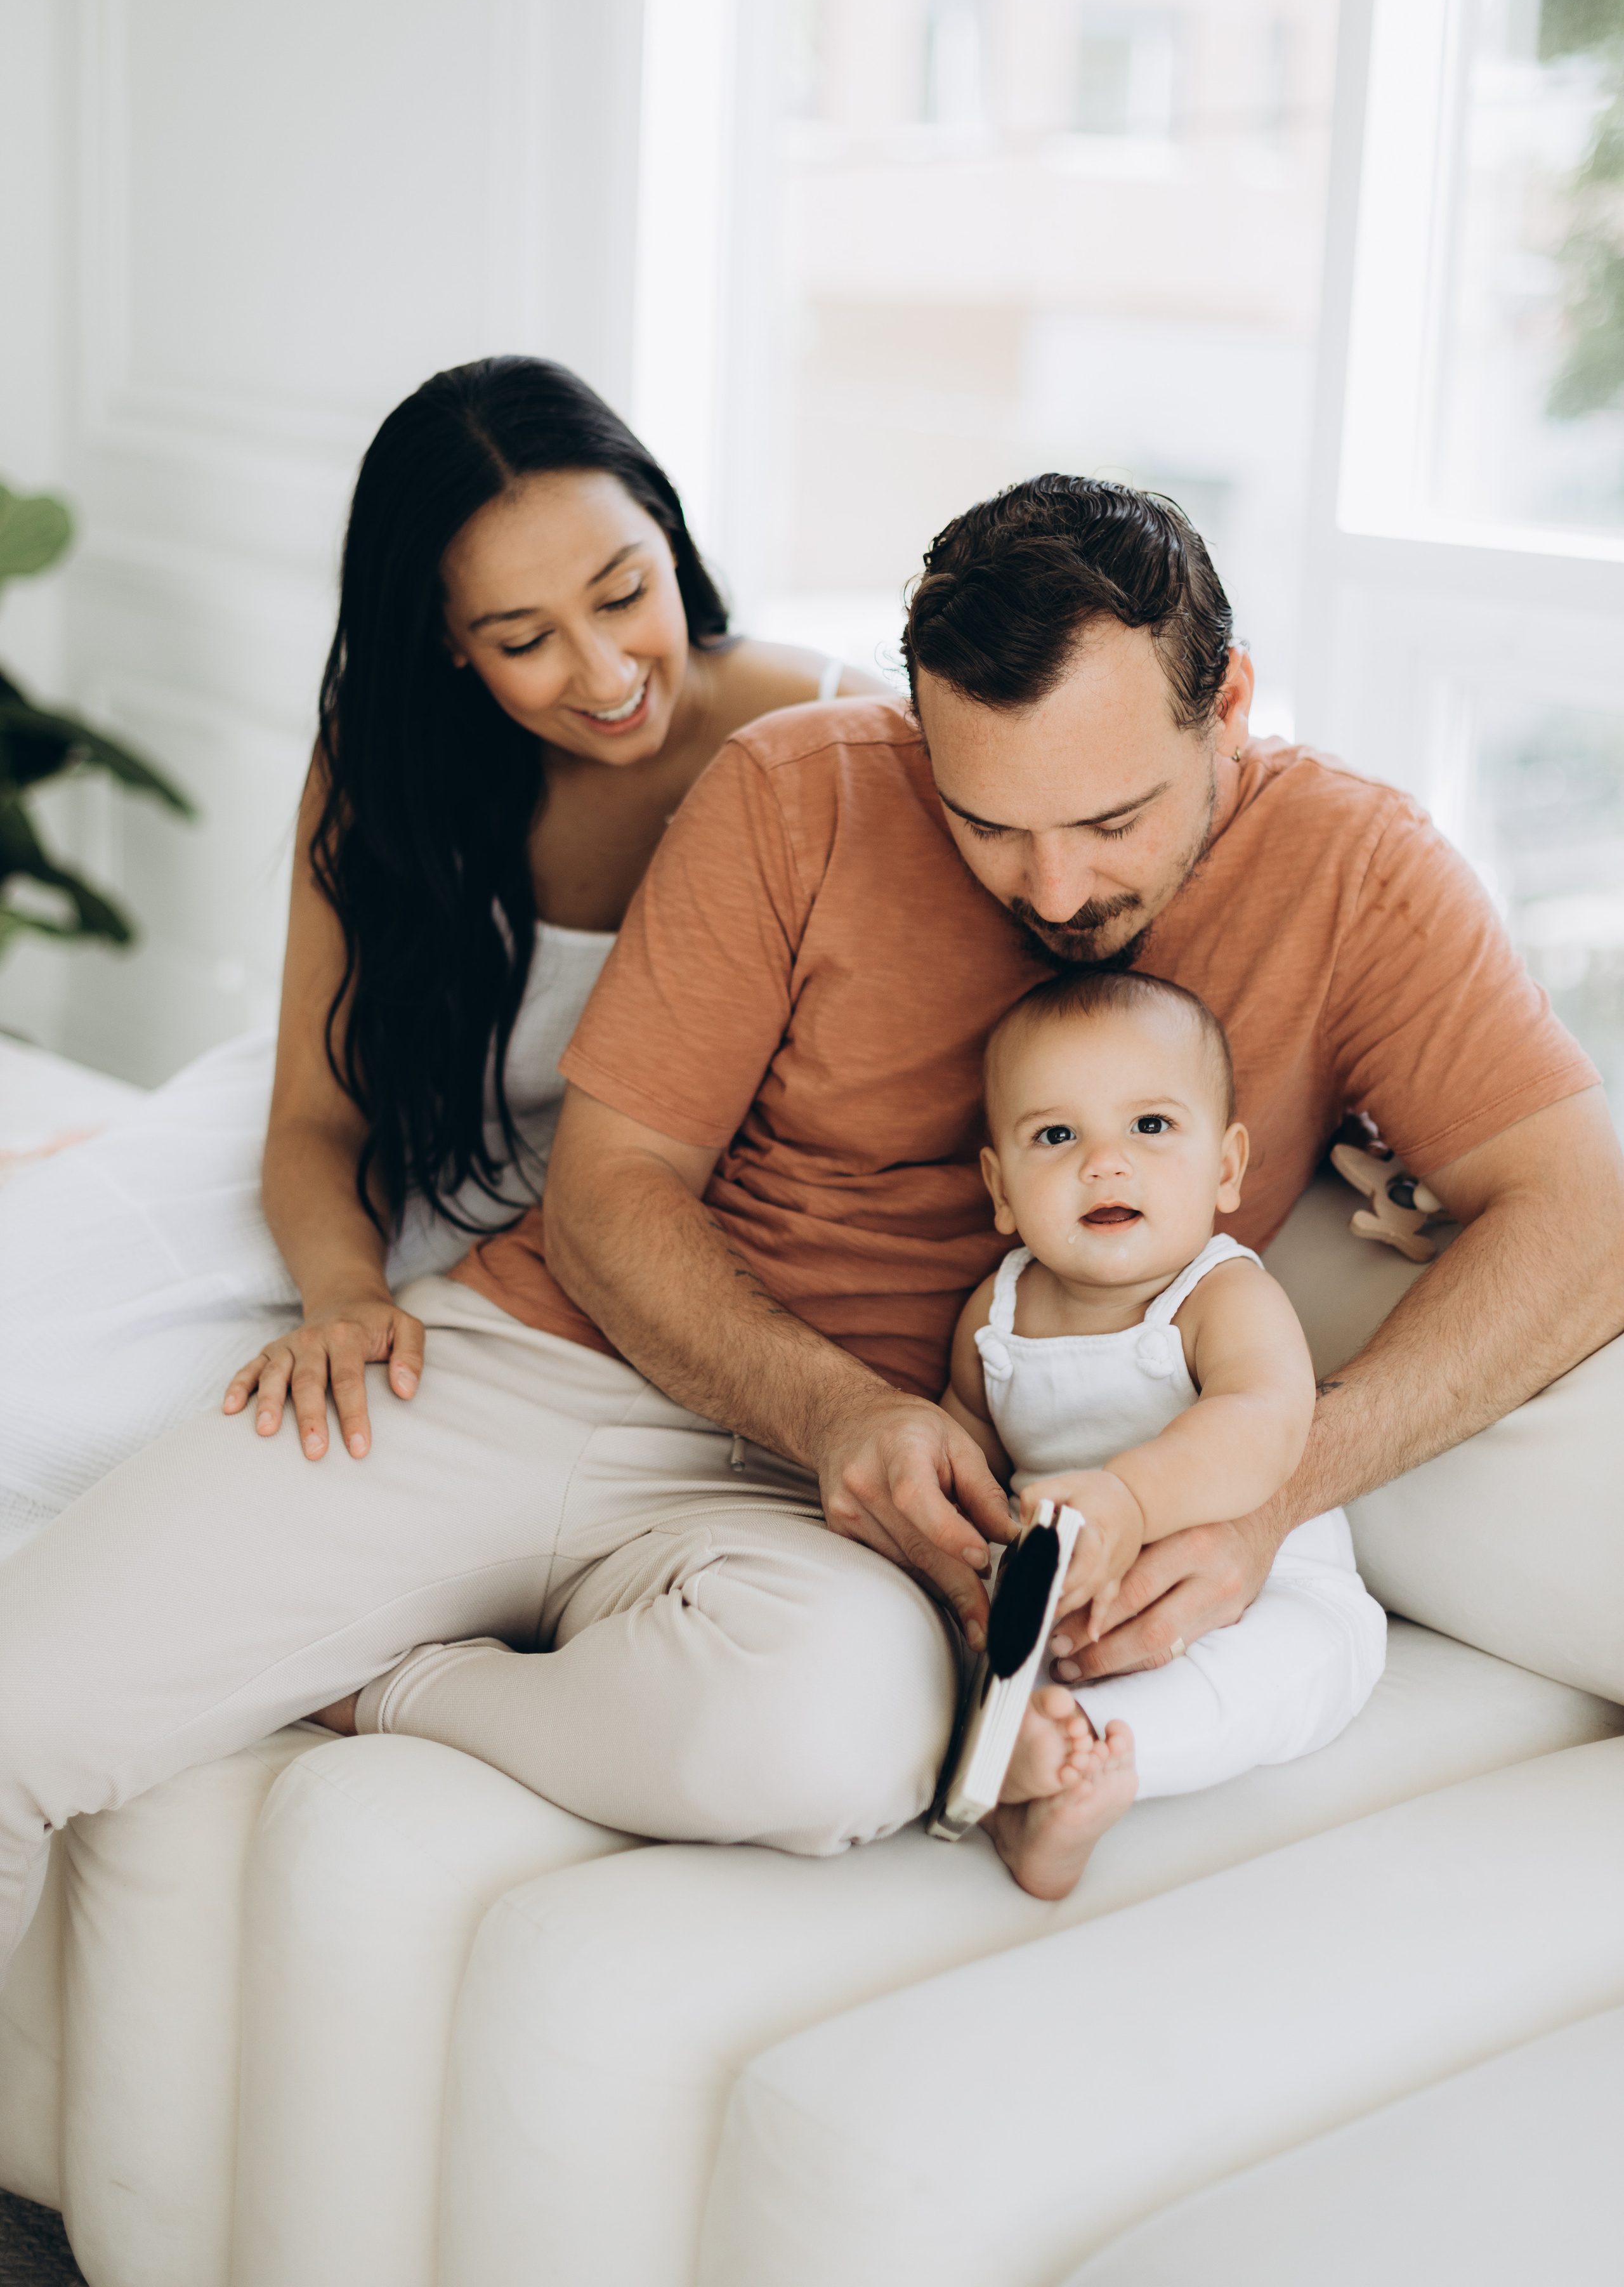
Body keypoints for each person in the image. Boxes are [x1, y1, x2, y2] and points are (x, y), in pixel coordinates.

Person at [4, 476, 1621, 1981]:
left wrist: (1276, 1497)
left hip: (853, 1527)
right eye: (988, 822)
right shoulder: (797, 785)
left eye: (1111, 820)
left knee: (831, 1749)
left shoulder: (1358, 871)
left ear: (1232, 703)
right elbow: (609, 1180)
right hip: (559, 1369)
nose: (1051, 890)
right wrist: (829, 1408)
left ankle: (400, 1685)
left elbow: (1578, 1214)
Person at [0, 355, 877, 1557]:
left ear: (668, 534)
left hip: (576, 1237)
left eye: (623, 594)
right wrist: (345, 1299)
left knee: (186, 1470)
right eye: (526, 638)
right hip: (359, 1174)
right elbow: (315, 1117)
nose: (609, 676)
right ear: (451, 644)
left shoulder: (828, 736)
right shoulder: (387, 762)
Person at [941, 970, 1384, 1901]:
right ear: (1001, 1189)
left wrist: (1134, 1498)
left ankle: (1092, 1769)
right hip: (1071, 1606)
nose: (1105, 1162)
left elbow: (1266, 1421)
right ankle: (1024, 1739)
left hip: (1271, 1588)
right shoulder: (999, 1307)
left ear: (1225, 1169)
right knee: (954, 1632)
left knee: (1304, 1663)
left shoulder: (1221, 1296)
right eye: (1056, 1135)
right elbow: (968, 1434)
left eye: (1150, 1127)